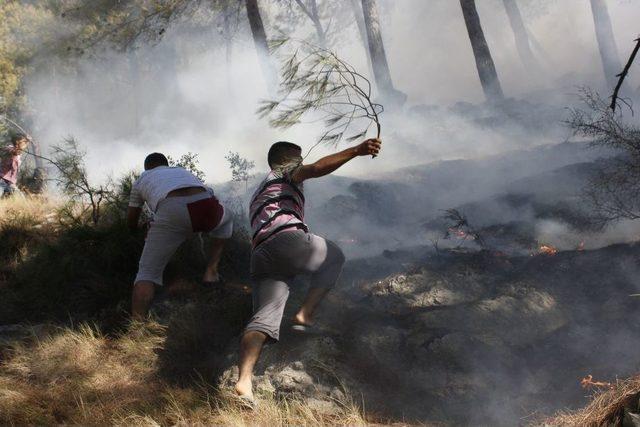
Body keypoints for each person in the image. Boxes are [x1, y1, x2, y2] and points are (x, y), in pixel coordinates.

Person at [234, 138, 382, 403]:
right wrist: (356, 151)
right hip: (286, 239)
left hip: (261, 254)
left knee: (263, 320)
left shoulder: (261, 191)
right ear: (283, 159)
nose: (301, 161)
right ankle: (305, 313)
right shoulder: (282, 172)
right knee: (335, 256)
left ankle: (244, 381)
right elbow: (314, 169)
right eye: (297, 157)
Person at [127, 152, 233, 319]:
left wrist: (137, 230)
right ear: (166, 165)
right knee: (227, 218)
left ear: (147, 167)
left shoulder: (142, 179)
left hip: (172, 211)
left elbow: (132, 218)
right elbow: (211, 194)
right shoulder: (181, 171)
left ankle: (137, 326)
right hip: (205, 204)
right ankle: (211, 272)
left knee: (146, 273)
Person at [0, 132, 29, 197]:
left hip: (10, 183)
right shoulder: (9, 149)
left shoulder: (19, 152)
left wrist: (27, 141)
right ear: (17, 142)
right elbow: (16, 152)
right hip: (1, 180)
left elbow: (19, 150)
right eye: (23, 142)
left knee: (21, 200)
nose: (25, 144)